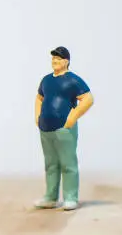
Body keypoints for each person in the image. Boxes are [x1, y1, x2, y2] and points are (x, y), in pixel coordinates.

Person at [34, 46, 94, 211]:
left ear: (66, 61)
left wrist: (72, 118)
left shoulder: (72, 80)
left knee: (68, 164)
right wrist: (37, 116)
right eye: (53, 58)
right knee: (51, 164)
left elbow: (88, 98)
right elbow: (39, 98)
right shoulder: (46, 80)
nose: (55, 61)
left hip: (64, 129)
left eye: (58, 58)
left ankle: (70, 197)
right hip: (46, 128)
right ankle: (50, 197)